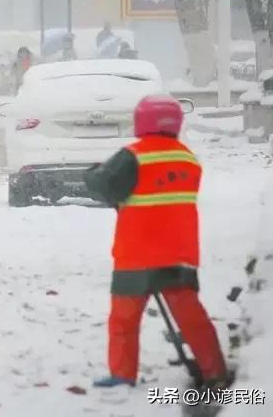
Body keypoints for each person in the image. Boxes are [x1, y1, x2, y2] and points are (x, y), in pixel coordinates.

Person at [83, 95, 229, 389]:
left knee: (124, 321)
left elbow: (106, 186)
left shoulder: (133, 155)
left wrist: (91, 174)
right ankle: (214, 371)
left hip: (136, 255)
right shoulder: (188, 158)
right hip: (179, 254)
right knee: (191, 316)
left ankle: (122, 376)